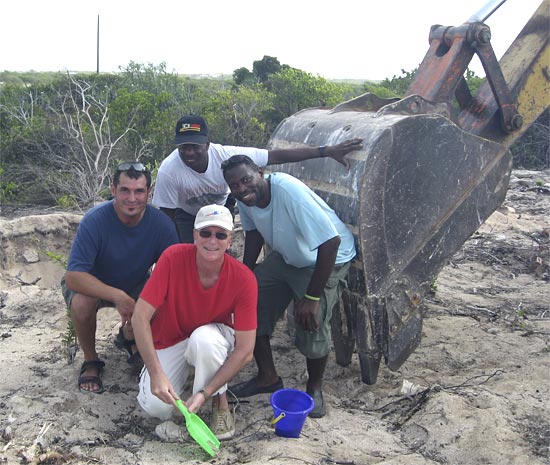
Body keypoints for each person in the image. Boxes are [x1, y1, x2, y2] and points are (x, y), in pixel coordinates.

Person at [222, 155, 357, 418]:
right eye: (234, 185)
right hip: (289, 256)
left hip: (325, 258)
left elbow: (330, 243)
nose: (241, 189)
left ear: (260, 172)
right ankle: (267, 377)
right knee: (249, 300)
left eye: (246, 180)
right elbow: (254, 233)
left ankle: (314, 388)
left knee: (311, 317)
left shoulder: (287, 191)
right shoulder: (245, 200)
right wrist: (246, 274)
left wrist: (311, 296)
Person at [132, 204, 258, 440]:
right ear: (194, 235)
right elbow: (140, 317)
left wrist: (205, 392)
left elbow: (245, 351)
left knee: (205, 341)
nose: (212, 240)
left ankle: (218, 401)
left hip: (212, 334)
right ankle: (175, 376)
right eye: (205, 233)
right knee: (157, 408)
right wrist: (156, 373)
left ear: (230, 240)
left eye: (220, 235)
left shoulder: (244, 279)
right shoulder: (171, 258)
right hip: (172, 335)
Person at [62, 162, 179, 394]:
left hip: (136, 281)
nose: (132, 198)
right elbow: (74, 276)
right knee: (82, 303)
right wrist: (118, 296)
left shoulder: (161, 224)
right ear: (113, 189)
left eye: (139, 191)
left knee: (166, 298)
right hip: (94, 282)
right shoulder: (95, 220)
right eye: (125, 190)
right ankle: (91, 360)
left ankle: (133, 342)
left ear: (149, 192)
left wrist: (147, 302)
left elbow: (173, 271)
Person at [152, 114, 363, 243]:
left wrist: (326, 151)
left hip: (222, 207)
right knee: (186, 252)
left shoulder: (225, 155)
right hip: (186, 214)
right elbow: (166, 216)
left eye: (195, 147)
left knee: (216, 250)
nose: (189, 153)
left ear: (207, 144)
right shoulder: (170, 171)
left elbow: (275, 156)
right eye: (183, 147)